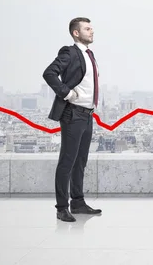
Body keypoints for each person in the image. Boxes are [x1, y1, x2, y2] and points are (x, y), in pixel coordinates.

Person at [43, 17, 102, 222]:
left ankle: (78, 202)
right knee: (67, 161)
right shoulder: (69, 52)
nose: (92, 31)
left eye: (91, 28)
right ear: (76, 33)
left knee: (80, 161)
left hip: (87, 114)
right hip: (73, 112)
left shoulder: (89, 54)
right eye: (87, 28)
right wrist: (66, 93)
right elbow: (49, 73)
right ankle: (62, 208)